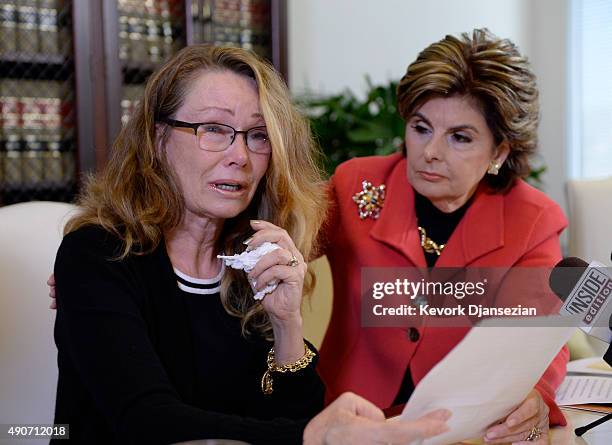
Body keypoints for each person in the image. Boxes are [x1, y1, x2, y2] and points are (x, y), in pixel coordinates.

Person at [49, 45, 450, 445]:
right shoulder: (98, 253)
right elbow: (148, 422)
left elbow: (290, 417)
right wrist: (313, 437)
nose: (240, 156)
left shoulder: (251, 259)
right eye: (214, 130)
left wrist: (286, 324)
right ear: (158, 139)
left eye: (258, 136)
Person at [317, 29, 569, 445]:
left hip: (462, 431)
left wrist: (535, 395)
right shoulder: (355, 184)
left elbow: (536, 336)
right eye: (421, 127)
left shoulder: (532, 219)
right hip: (350, 422)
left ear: (500, 153)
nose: (430, 151)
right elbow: (284, 243)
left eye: (460, 137)